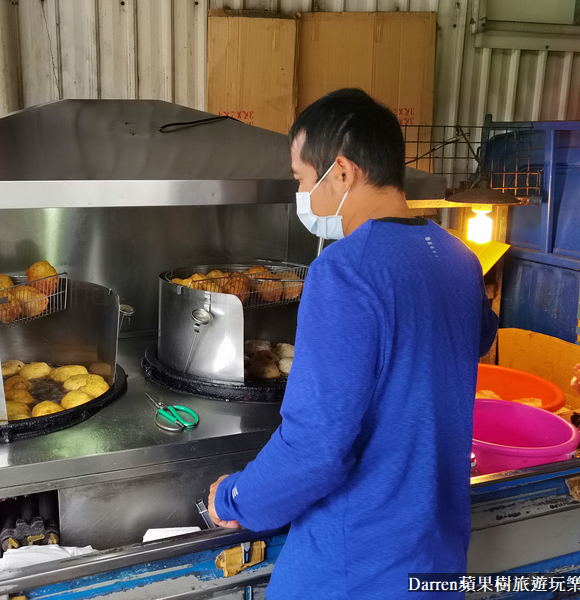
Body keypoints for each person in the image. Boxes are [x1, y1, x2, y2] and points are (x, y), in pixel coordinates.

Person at [207, 88, 499, 599]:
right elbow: (473, 340)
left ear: (341, 172)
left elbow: (317, 450)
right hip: (438, 555)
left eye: (301, 179)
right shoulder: (459, 258)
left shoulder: (345, 272)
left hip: (358, 563)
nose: (302, 196)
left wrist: (234, 497)